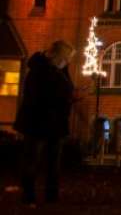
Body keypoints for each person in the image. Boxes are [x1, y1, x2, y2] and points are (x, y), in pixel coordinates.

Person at [13, 40, 76, 205]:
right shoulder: (39, 71)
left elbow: (65, 89)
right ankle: (29, 196)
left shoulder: (59, 70)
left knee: (52, 162)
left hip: (54, 122)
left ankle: (51, 196)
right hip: (38, 122)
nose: (68, 62)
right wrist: (63, 99)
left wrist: (69, 98)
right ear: (57, 56)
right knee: (33, 161)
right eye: (66, 58)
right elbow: (37, 97)